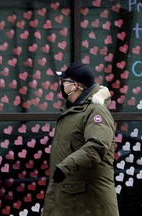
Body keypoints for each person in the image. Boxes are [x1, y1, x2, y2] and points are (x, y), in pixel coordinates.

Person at [42, 62, 119, 216]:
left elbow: (97, 146)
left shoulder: (95, 111)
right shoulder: (74, 110)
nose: (62, 85)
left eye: (64, 82)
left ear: (74, 85)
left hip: (89, 201)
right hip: (71, 197)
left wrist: (65, 167)